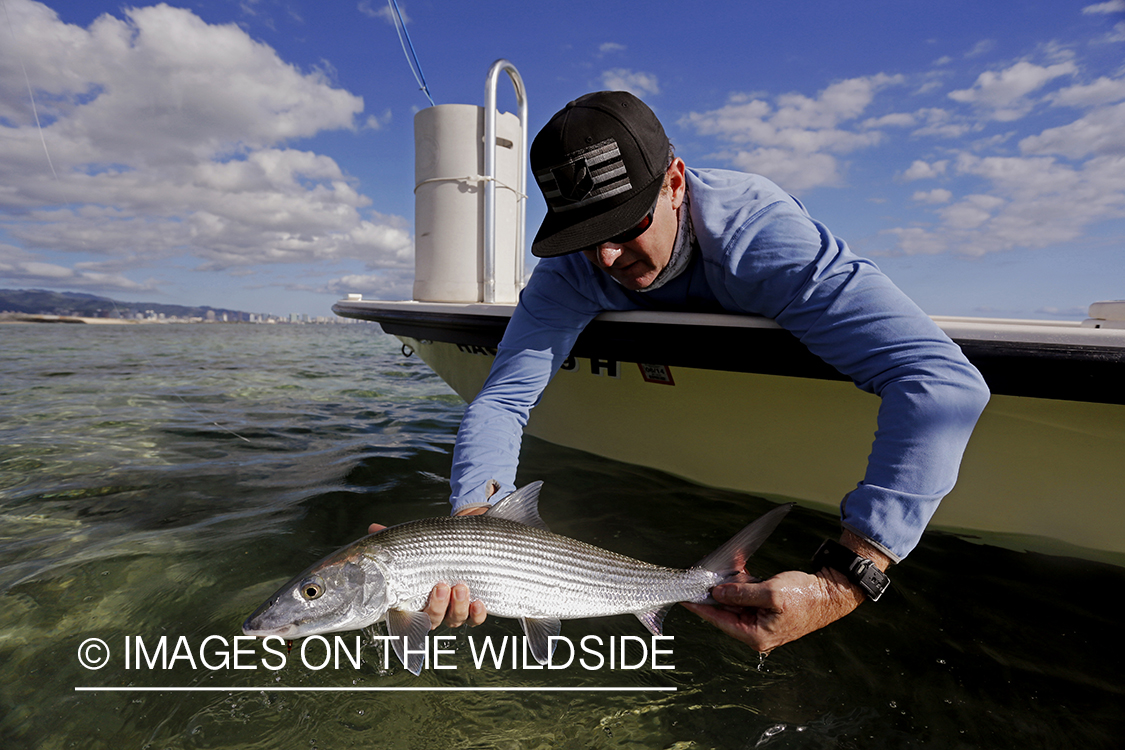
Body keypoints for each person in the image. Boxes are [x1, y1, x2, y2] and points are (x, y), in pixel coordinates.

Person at [375, 91, 990, 653]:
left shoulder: (760, 234)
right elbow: (505, 401)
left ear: (675, 182)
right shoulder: (575, 268)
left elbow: (939, 381)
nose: (607, 257)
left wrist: (845, 581)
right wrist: (474, 530)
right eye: (584, 236)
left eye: (623, 226)